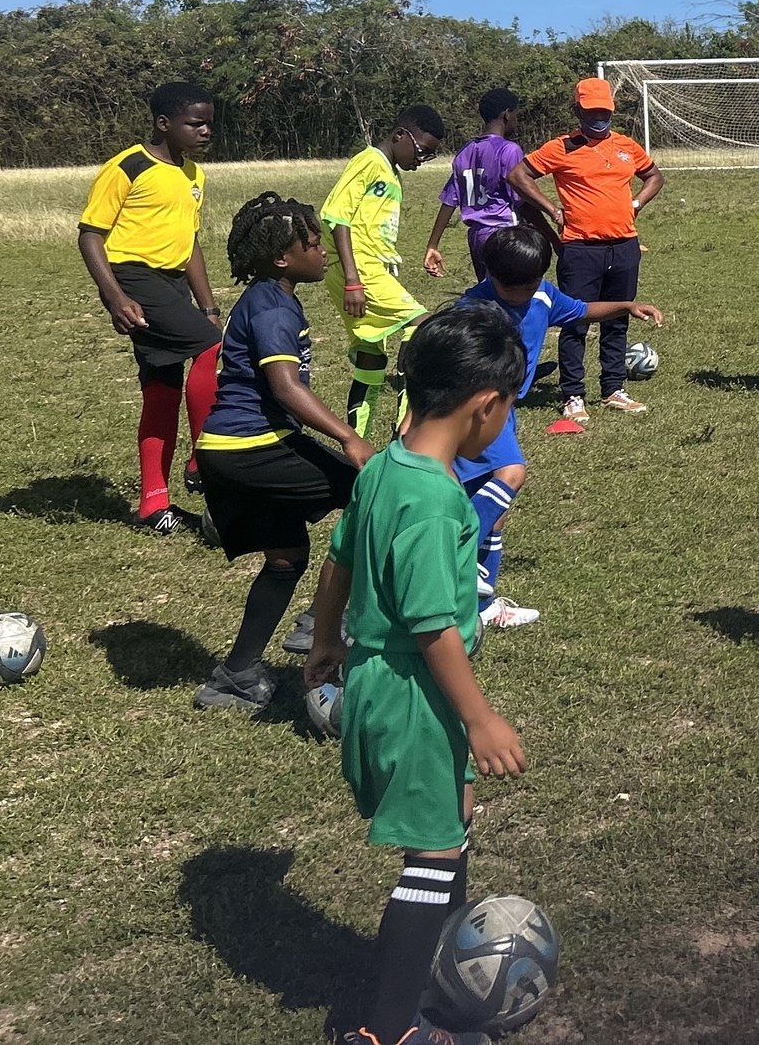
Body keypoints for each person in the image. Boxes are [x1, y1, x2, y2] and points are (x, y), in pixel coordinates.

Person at [307, 302, 532, 1045]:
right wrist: (479, 717)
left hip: (372, 681)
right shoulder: (435, 500)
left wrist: (325, 641)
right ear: (485, 406)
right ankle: (389, 1031)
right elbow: (433, 624)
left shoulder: (382, 467)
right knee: (432, 855)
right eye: (509, 408)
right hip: (416, 693)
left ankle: (442, 975)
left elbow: (338, 555)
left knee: (449, 823)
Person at [192, 194, 376, 712]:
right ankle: (325, 622)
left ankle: (235, 676)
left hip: (232, 450)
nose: (324, 253)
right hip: (251, 449)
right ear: (282, 258)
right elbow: (285, 387)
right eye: (313, 245)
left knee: (287, 557)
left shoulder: (267, 297)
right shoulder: (273, 306)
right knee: (374, 490)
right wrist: (348, 436)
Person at [457, 223, 663, 614]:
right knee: (510, 475)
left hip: (505, 410)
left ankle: (483, 608)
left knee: (495, 514)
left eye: (527, 287)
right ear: (489, 274)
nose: (520, 296)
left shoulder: (544, 295)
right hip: (474, 411)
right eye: (510, 290)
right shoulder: (473, 309)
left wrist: (625, 306)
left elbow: (582, 310)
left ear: (539, 277)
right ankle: (454, 559)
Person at [76, 80, 221, 536]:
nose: (204, 132)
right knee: (214, 349)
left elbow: (190, 242)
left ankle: (153, 506)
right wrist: (114, 295)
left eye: (209, 124)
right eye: (194, 123)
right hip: (134, 277)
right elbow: (90, 234)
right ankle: (205, 460)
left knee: (161, 389)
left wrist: (208, 304)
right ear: (164, 123)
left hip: (174, 284)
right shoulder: (129, 166)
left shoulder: (194, 174)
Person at [513, 79, 663, 426]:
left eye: (604, 112)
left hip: (624, 245)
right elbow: (519, 175)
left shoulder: (626, 146)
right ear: (577, 111)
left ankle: (613, 388)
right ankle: (573, 394)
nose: (599, 118)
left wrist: (637, 202)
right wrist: (552, 208)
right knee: (576, 321)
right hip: (580, 248)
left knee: (617, 318)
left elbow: (654, 175)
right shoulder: (560, 148)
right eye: (592, 112)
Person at [323, 108, 449, 442]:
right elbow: (337, 218)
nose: (422, 160)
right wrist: (353, 279)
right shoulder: (369, 161)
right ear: (399, 136)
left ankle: (356, 445)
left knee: (371, 358)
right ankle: (403, 438)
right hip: (359, 269)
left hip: (371, 269)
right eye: (422, 151)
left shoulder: (389, 171)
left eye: (430, 156)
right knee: (422, 326)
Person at [422, 89, 547, 283]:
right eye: (516, 115)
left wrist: (433, 244)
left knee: (489, 294)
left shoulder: (465, 151)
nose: (517, 121)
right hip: (504, 235)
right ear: (506, 114)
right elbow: (522, 201)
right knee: (513, 295)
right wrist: (549, 231)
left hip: (476, 236)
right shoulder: (508, 150)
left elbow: (449, 200)